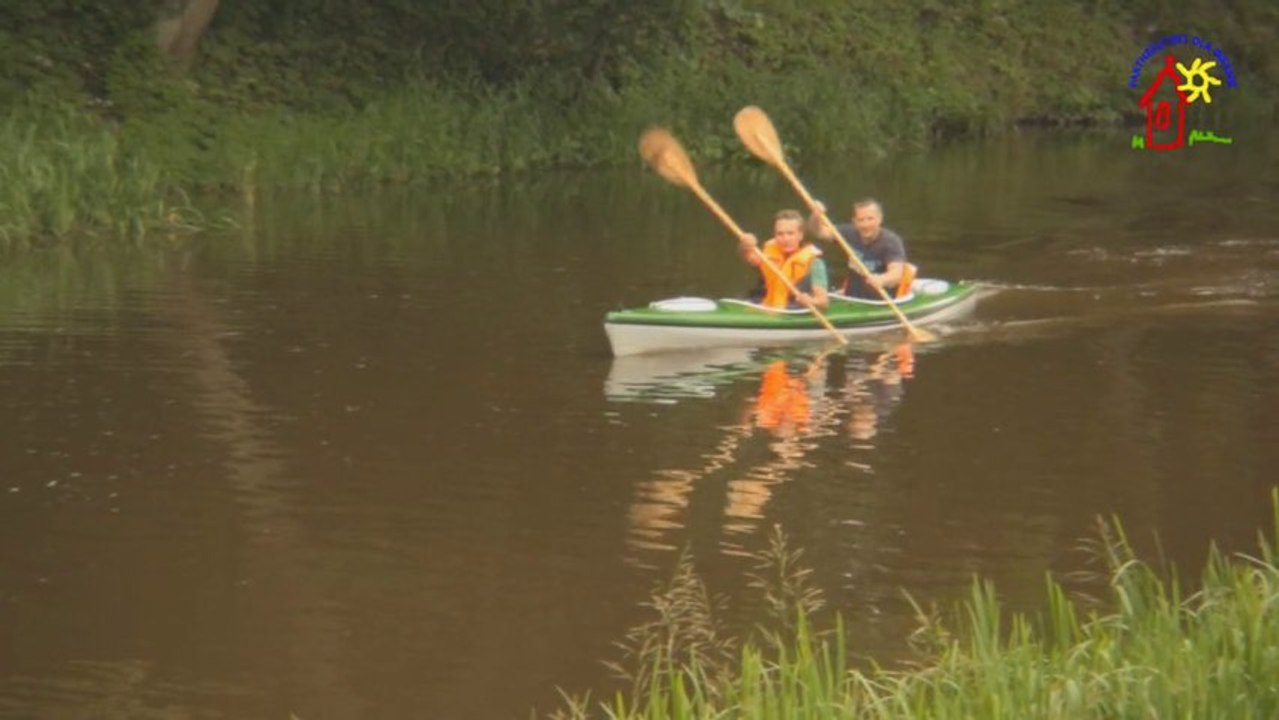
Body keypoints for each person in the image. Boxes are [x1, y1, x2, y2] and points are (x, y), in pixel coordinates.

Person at [810, 198, 911, 299]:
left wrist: (881, 279)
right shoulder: (849, 232)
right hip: (852, 298)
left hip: (881, 300)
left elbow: (895, 274)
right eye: (861, 220)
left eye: (870, 219)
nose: (865, 225)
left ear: (880, 219)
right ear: (854, 221)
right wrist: (816, 216)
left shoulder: (891, 241)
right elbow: (819, 232)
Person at [738, 209, 829, 309]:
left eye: (790, 233)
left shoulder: (816, 263)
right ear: (774, 235)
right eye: (780, 234)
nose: (785, 239)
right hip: (768, 306)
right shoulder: (767, 253)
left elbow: (823, 302)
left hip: (793, 310)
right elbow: (749, 257)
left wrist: (811, 301)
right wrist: (745, 246)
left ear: (800, 235)